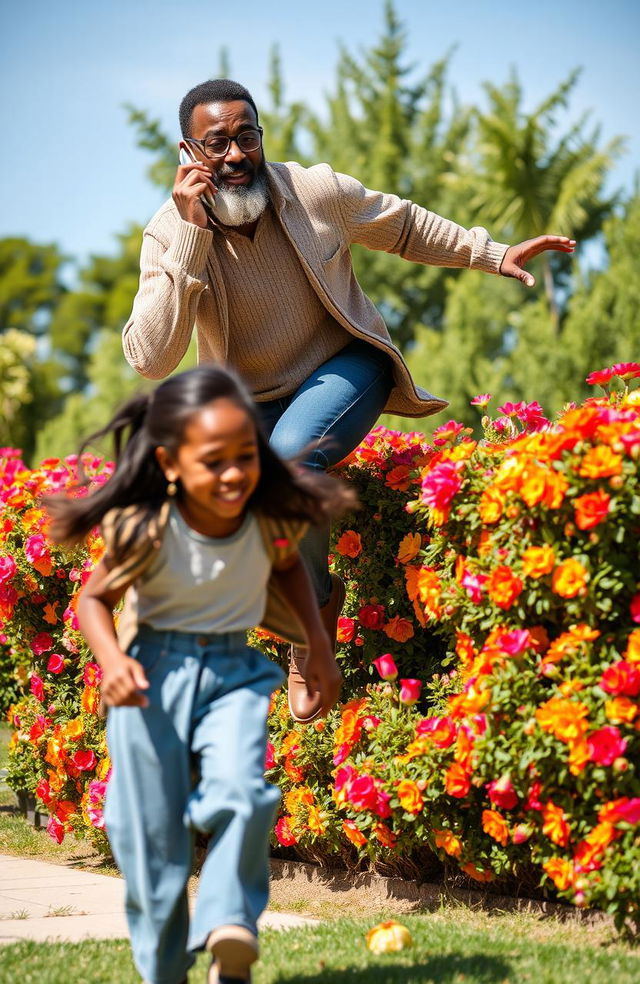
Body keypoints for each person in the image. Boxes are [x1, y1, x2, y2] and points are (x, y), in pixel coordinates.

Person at [122, 78, 576, 723]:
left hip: (344, 366)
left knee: (286, 464)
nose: (233, 155)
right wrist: (192, 238)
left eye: (245, 136)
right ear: (187, 152)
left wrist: (494, 253)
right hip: (250, 400)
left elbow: (404, 226)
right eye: (215, 143)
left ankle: (309, 639)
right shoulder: (168, 233)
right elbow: (151, 356)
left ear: (261, 136)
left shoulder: (312, 191)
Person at [46, 365, 354, 984]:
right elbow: (93, 600)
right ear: (169, 464)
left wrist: (316, 644)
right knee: (151, 841)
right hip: (151, 677)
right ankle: (164, 967)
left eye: (246, 456)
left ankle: (229, 927)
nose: (235, 474)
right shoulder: (148, 527)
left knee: (243, 794)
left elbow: (290, 568)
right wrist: (112, 661)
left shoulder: (262, 518)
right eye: (215, 462)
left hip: (231, 673)